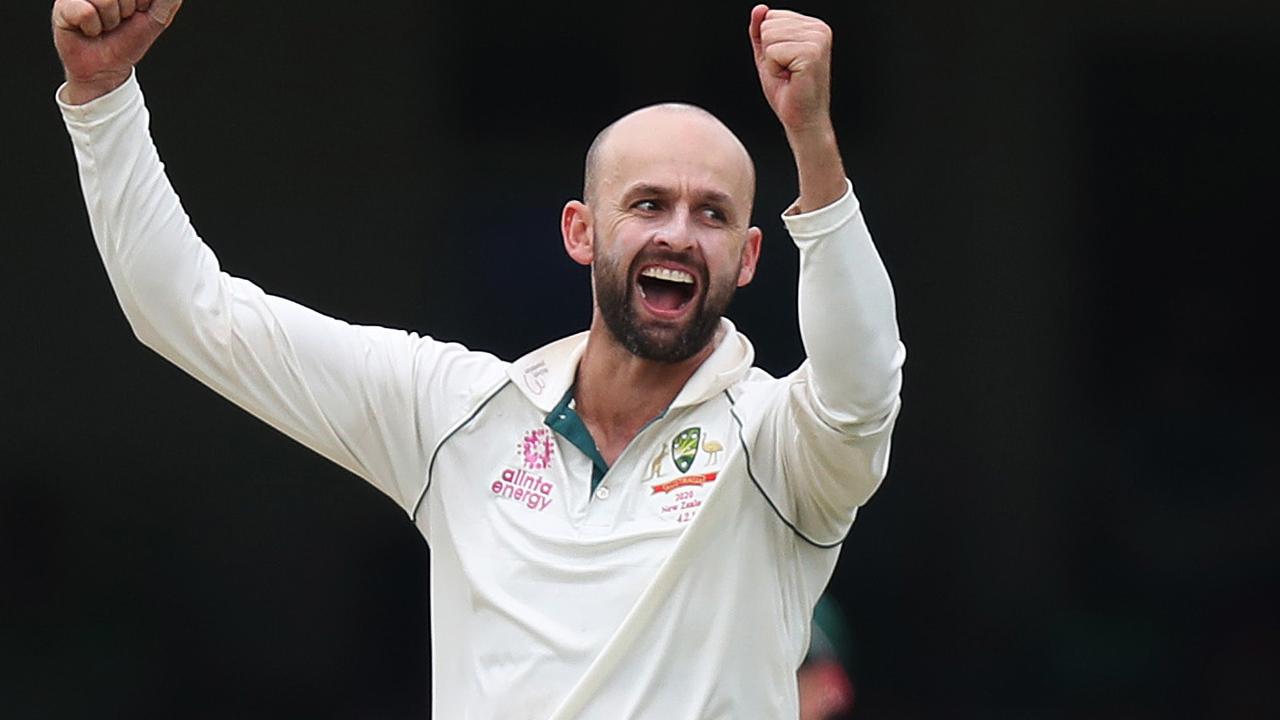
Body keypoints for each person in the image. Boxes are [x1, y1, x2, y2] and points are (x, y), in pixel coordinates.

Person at [53, 1, 905, 717]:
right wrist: (102, 98)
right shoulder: (456, 413)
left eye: (712, 214)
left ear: (750, 257)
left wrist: (813, 144)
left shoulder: (779, 449)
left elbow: (862, 390)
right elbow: (186, 312)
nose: (678, 232)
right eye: (648, 203)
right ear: (582, 231)